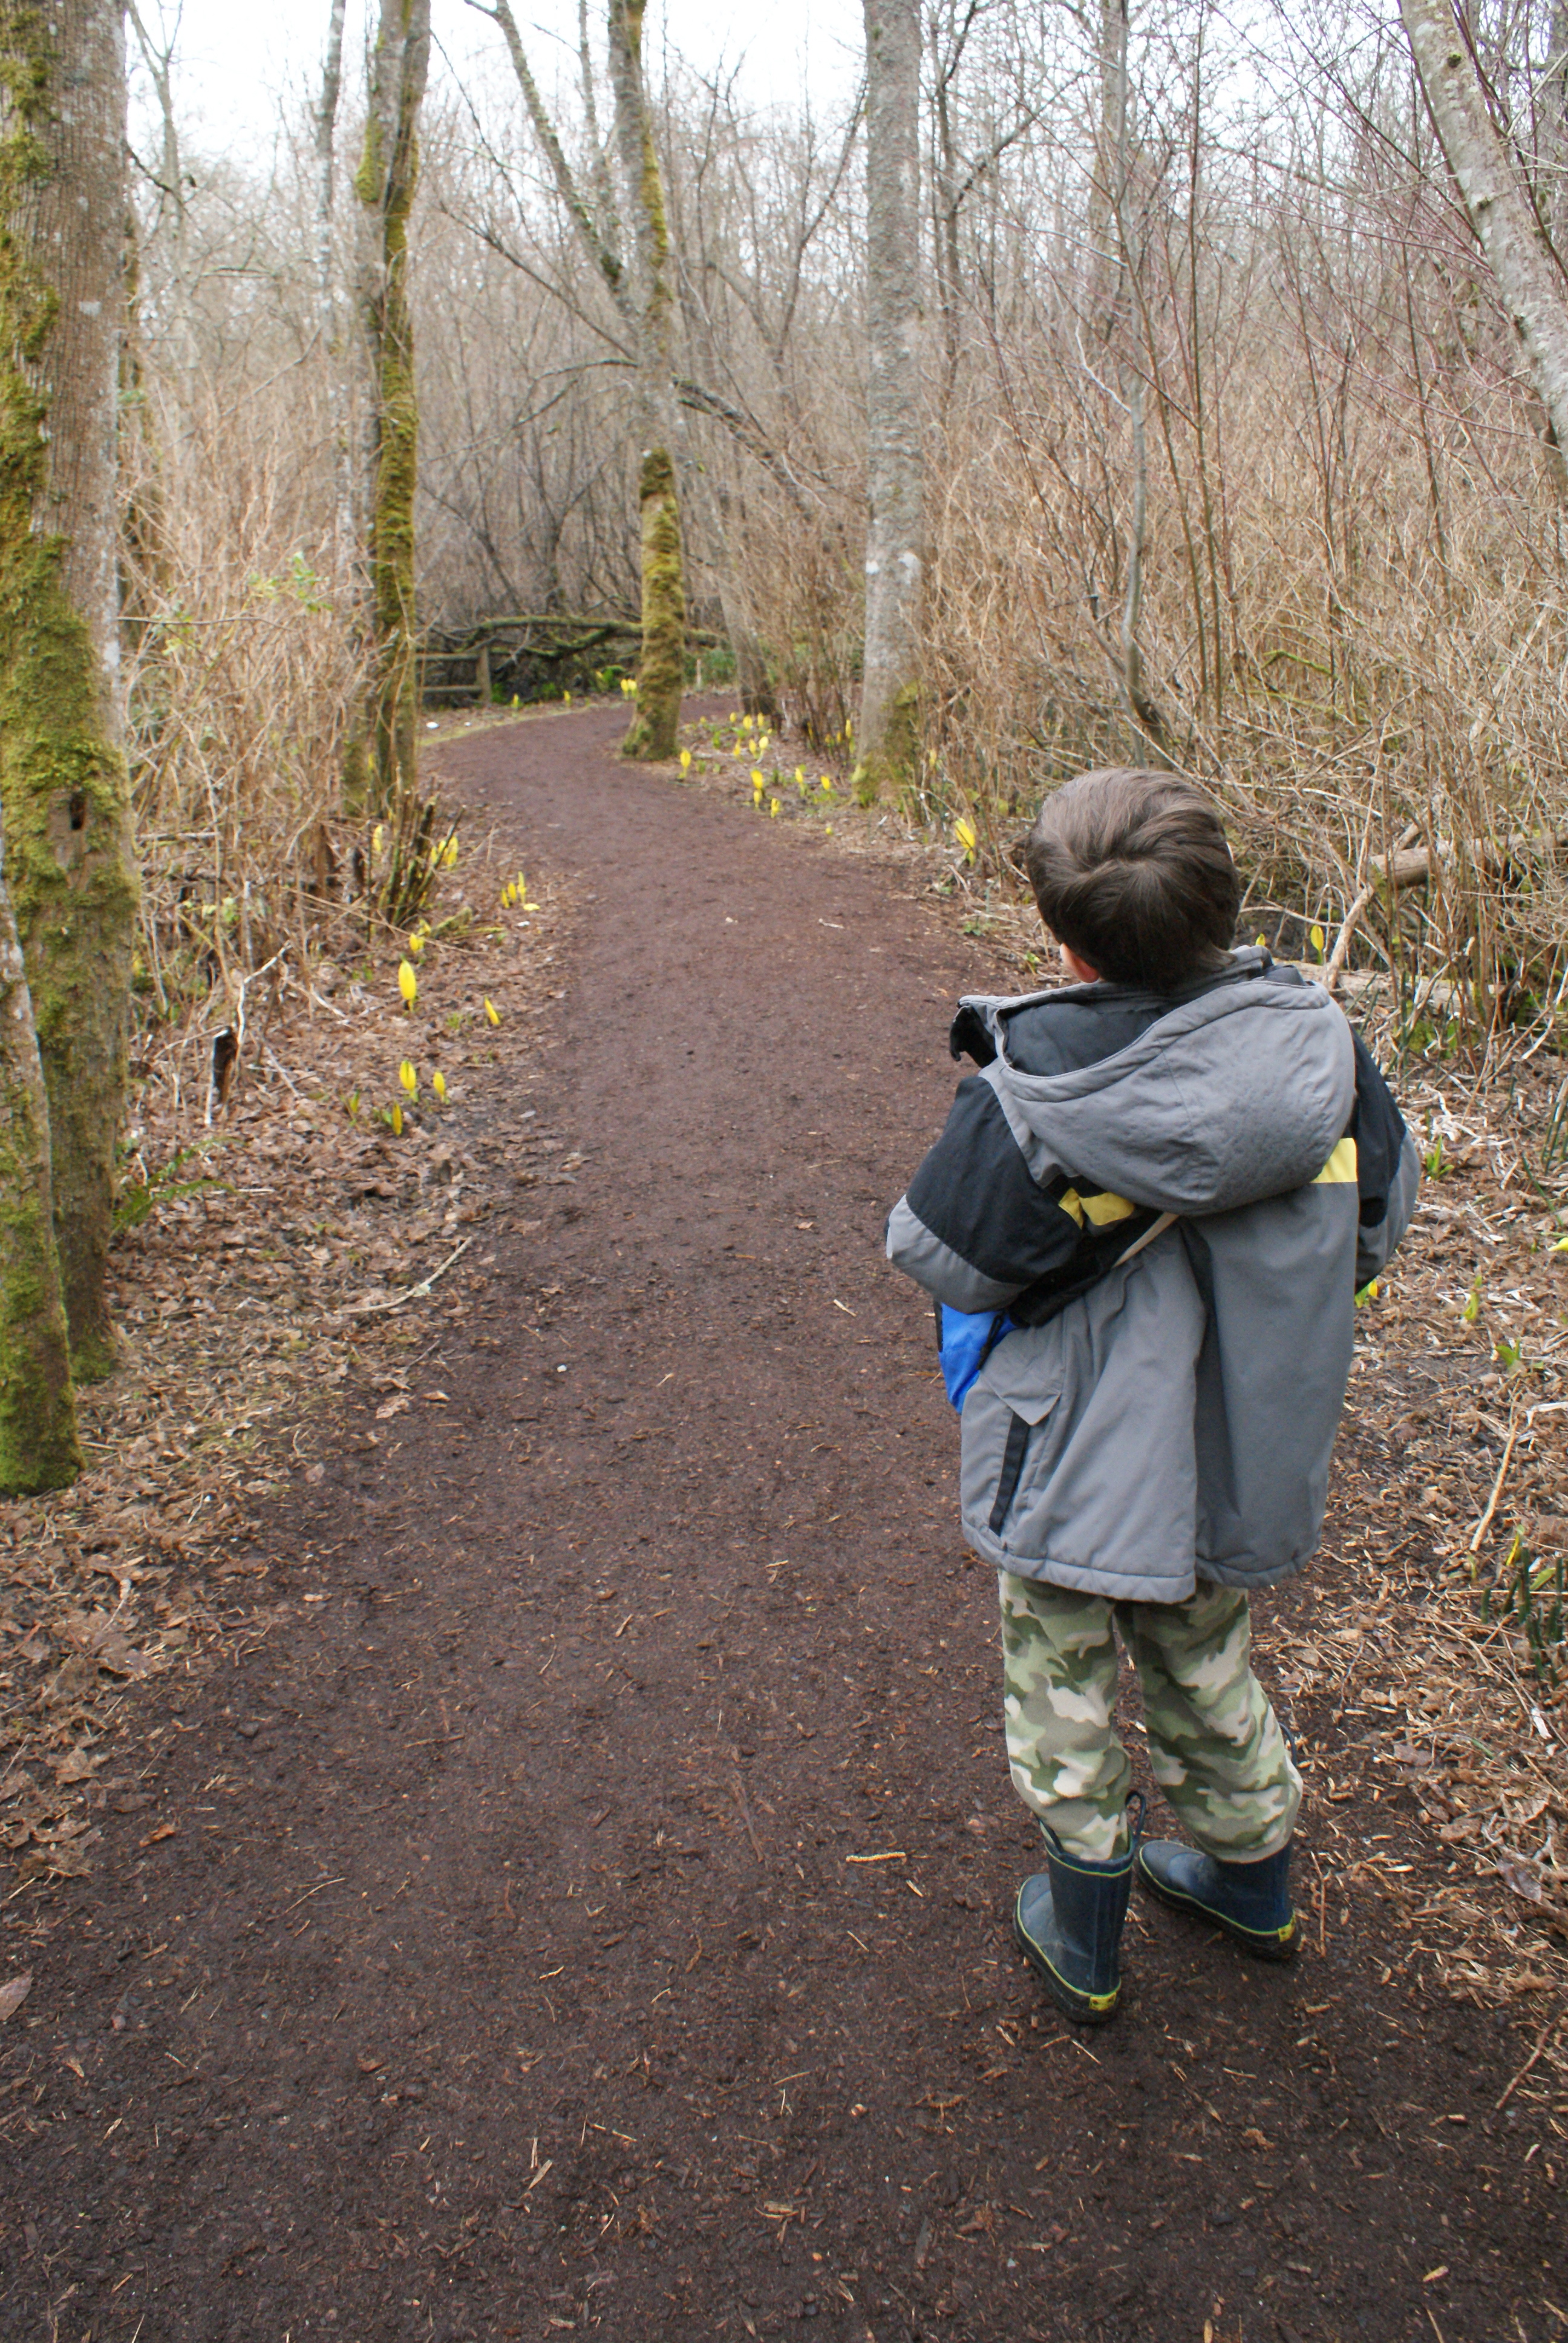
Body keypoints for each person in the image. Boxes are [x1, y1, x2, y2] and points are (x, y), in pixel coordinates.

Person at [886, 768, 1419, 2024]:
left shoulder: (1026, 1095)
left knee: (1061, 1677)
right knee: (1204, 1652)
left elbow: (941, 1253)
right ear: (1225, 907)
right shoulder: (1327, 1055)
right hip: (1239, 1432)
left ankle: (1086, 1937)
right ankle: (1256, 1888)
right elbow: (1378, 1226)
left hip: (1069, 1451)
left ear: (1066, 943)